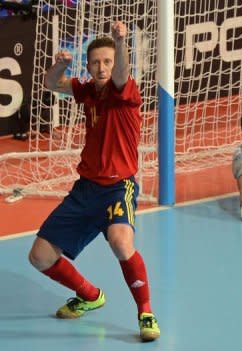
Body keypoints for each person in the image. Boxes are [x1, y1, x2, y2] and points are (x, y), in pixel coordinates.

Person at [27, 21, 160, 342]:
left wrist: (119, 40)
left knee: (120, 242)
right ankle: (89, 295)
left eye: (108, 61)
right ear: (88, 65)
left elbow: (121, 73)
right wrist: (60, 64)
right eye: (96, 62)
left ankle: (145, 312)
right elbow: (51, 83)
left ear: (116, 64)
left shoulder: (125, 90)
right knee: (40, 257)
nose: (102, 67)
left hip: (118, 187)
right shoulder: (87, 90)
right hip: (85, 189)